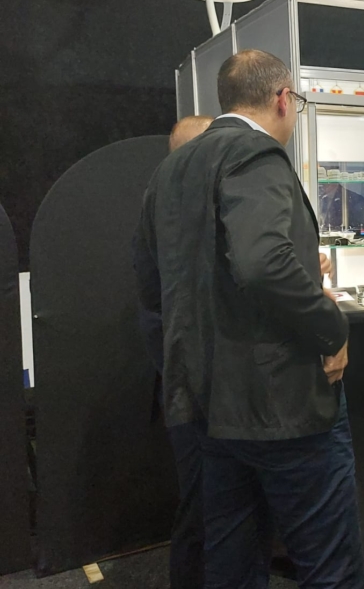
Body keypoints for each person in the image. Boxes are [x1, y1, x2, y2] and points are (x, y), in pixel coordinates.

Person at [133, 50, 364, 588]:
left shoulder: (171, 171)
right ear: (283, 99)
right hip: (283, 405)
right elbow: (262, 264)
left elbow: (152, 284)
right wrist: (331, 328)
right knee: (330, 565)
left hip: (208, 406)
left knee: (232, 563)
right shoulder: (255, 154)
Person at [132, 115, 213, 589]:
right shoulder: (173, 209)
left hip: (189, 378)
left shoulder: (164, 203)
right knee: (202, 503)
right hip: (190, 382)